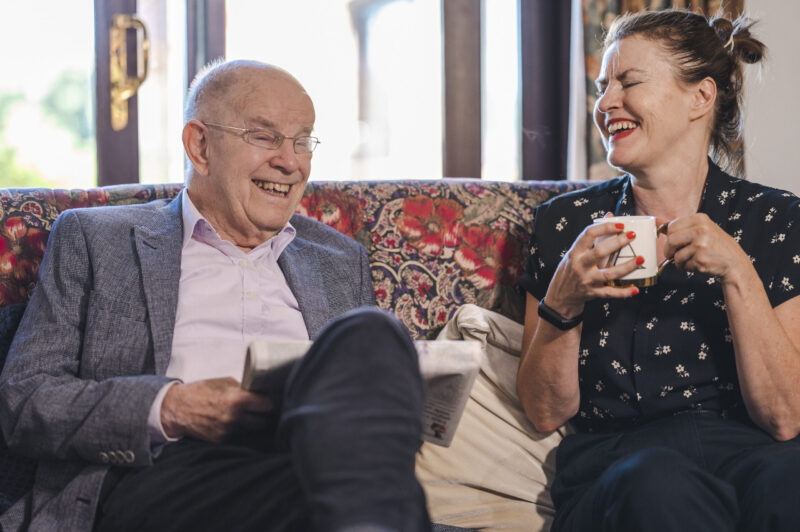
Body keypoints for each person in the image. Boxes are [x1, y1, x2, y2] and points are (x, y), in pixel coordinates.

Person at [0, 59, 431, 532]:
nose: (291, 162)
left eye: (303, 140)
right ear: (200, 146)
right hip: (162, 473)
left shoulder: (338, 258)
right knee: (344, 494)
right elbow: (25, 399)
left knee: (373, 335)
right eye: (264, 136)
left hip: (309, 461)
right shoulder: (98, 239)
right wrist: (173, 408)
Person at [517, 9, 800, 532]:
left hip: (750, 455)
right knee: (658, 483)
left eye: (628, 82)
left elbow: (785, 418)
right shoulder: (567, 225)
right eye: (602, 88)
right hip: (618, 467)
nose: (605, 104)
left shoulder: (774, 221)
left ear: (700, 98)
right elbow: (543, 412)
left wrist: (739, 273)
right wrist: (564, 300)